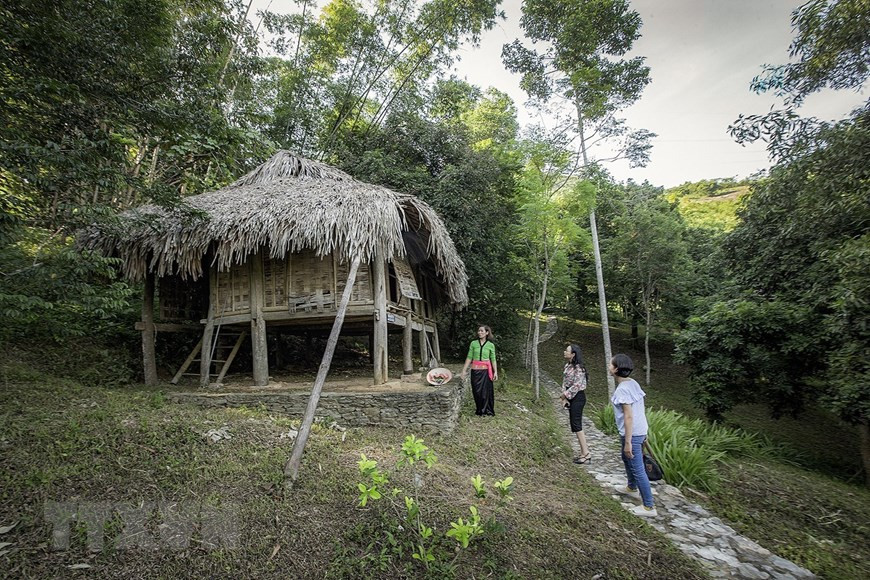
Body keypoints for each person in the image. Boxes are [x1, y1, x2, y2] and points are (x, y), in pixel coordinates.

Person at [610, 353, 657, 517]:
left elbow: (629, 416)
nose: (609, 366)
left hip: (632, 433)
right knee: (626, 458)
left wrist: (629, 442)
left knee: (637, 468)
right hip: (638, 430)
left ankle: (649, 506)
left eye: (611, 364)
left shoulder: (623, 389)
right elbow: (639, 409)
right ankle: (631, 487)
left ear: (616, 369)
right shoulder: (632, 383)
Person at [559, 344, 591, 464]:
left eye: (567, 351)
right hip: (570, 397)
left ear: (573, 354)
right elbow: (565, 382)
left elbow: (577, 385)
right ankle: (583, 452)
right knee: (574, 425)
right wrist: (565, 397)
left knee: (577, 425)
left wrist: (565, 395)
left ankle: (586, 453)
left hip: (578, 397)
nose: (564, 352)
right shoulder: (567, 366)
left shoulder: (579, 368)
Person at [460, 325, 498, 416]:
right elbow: (469, 357)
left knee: (486, 391)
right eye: (478, 331)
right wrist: (464, 370)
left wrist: (495, 372)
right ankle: (479, 410)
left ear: (487, 333)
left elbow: (493, 359)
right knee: (476, 391)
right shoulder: (473, 343)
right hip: (475, 371)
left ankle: (487, 410)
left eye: (481, 331)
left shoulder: (490, 345)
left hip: (486, 372)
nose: (479, 332)